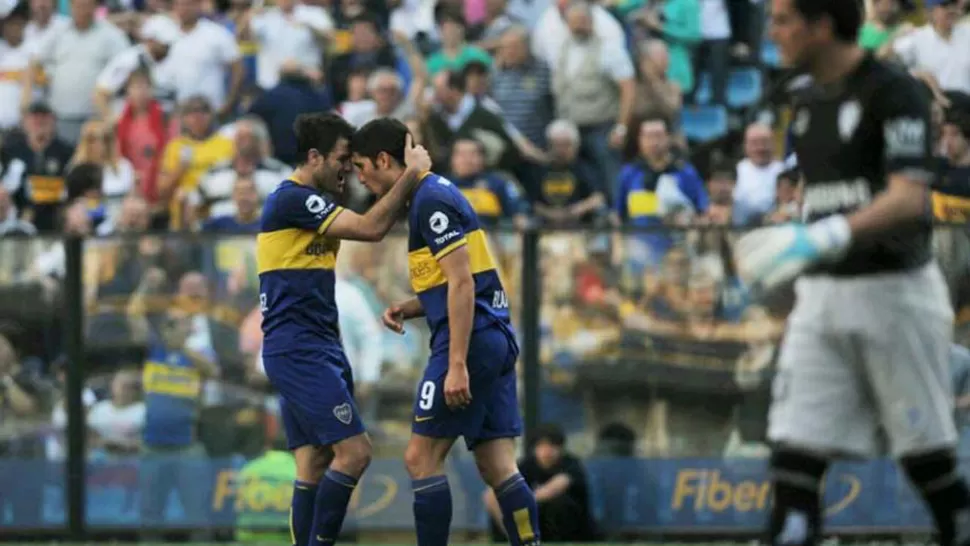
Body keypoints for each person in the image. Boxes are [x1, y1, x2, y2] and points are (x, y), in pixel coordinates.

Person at [735, 1, 970, 545]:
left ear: (821, 25)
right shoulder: (803, 100)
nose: (773, 32)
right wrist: (801, 236)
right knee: (793, 463)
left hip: (896, 295)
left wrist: (828, 233)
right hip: (822, 300)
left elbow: (911, 199)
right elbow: (825, 194)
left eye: (784, 20)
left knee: (929, 468)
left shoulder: (894, 92)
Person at [349, 117, 540, 546]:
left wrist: (456, 364)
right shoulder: (436, 194)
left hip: (470, 343)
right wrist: (413, 306)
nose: (360, 177)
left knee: (420, 459)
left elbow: (462, 283)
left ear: (383, 159)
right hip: (492, 336)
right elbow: (464, 279)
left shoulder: (429, 200)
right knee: (497, 465)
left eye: (362, 166)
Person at [256, 112, 432, 546]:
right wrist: (413, 174)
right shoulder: (292, 199)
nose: (348, 169)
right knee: (355, 453)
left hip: (317, 346)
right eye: (341, 159)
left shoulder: (312, 205)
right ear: (314, 157)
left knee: (313, 463)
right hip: (299, 350)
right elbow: (372, 228)